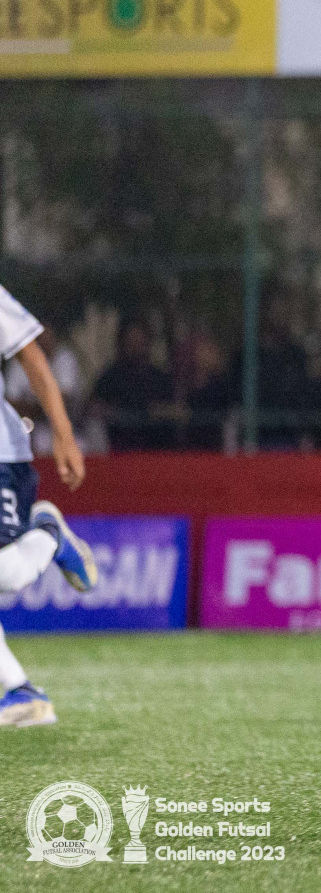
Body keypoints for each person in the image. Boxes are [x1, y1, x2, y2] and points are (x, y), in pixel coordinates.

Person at [0, 286, 100, 727]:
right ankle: (21, 693)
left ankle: (49, 535)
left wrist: (62, 432)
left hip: (2, 454)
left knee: (8, 571)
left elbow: (31, 353)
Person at [90, 320, 176, 450]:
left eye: (139, 340)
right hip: (117, 446)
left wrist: (159, 412)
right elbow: (93, 407)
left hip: (155, 448)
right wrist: (111, 412)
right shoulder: (111, 376)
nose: (135, 345)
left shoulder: (160, 378)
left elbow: (174, 410)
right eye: (131, 340)